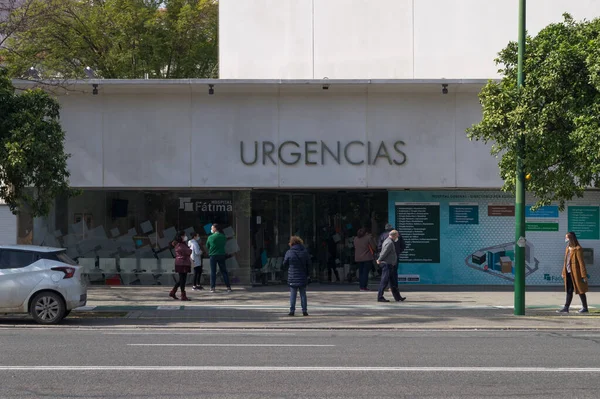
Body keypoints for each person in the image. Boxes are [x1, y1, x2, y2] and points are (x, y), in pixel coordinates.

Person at [557, 231, 589, 313]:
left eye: (567, 237)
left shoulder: (578, 249)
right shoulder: (567, 248)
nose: (565, 239)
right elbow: (565, 261)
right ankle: (566, 308)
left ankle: (585, 308)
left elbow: (581, 263)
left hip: (576, 273)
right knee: (569, 290)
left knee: (580, 290)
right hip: (568, 272)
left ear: (571, 238)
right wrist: (563, 272)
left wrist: (583, 275)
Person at [284, 236, 311, 316]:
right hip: (302, 276)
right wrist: (308, 274)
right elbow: (309, 264)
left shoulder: (289, 252)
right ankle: (304, 311)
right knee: (303, 293)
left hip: (292, 276)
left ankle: (292, 311)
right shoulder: (305, 252)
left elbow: (284, 263)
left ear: (291, 243)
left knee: (293, 294)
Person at [376, 230, 406, 303]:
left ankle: (398, 297)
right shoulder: (389, 242)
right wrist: (379, 260)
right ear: (394, 235)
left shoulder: (390, 241)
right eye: (397, 236)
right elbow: (384, 253)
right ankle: (380, 297)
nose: (398, 237)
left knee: (393, 282)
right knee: (384, 281)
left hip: (391, 264)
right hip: (387, 264)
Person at [206, 223, 232, 293]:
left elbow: (207, 246)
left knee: (213, 272)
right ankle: (228, 287)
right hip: (221, 255)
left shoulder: (210, 237)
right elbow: (224, 244)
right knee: (224, 271)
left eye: (212, 228)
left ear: (215, 229)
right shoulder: (223, 236)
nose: (211, 229)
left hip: (213, 255)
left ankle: (212, 288)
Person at [169, 230, 192, 301]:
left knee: (182, 279)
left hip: (183, 262)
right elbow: (187, 251)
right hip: (182, 263)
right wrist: (189, 250)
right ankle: (182, 294)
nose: (185, 237)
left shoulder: (182, 243)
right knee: (182, 279)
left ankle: (173, 292)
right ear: (181, 236)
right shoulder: (178, 244)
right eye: (184, 235)